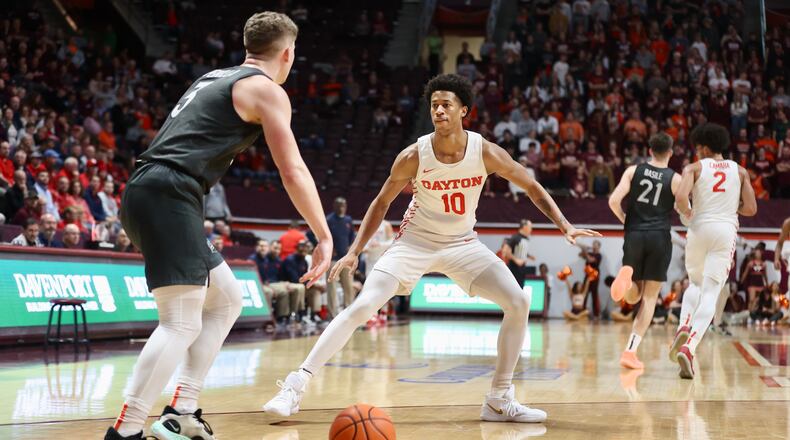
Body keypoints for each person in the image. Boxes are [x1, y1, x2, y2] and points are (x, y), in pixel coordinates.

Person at [263, 73, 599, 424]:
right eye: (434, 105)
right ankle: (295, 386)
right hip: (414, 243)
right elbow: (381, 203)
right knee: (361, 306)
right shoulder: (413, 155)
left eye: (446, 105)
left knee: (518, 302)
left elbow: (531, 186)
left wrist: (565, 225)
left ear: (463, 111)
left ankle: (499, 399)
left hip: (463, 243)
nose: (438, 110)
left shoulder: (485, 151)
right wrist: (354, 251)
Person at [107, 12, 333, 440]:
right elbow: (292, 170)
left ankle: (182, 411)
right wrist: (323, 235)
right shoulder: (266, 90)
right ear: (287, 53)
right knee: (180, 322)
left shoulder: (216, 76)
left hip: (153, 189)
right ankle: (126, 430)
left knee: (228, 299)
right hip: (169, 192)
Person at [671, 123, 757, 380]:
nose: (697, 152)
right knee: (711, 292)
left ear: (705, 147)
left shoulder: (694, 168)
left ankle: (683, 324)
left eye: (698, 148)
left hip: (699, 227)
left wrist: (687, 211)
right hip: (725, 230)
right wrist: (732, 205)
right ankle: (690, 346)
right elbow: (751, 208)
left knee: (694, 284)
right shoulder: (740, 171)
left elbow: (680, 197)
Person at [607, 132, 681, 369]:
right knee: (648, 298)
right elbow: (685, 209)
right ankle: (630, 352)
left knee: (634, 295)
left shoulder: (632, 171)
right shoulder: (675, 178)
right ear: (670, 152)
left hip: (635, 234)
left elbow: (613, 201)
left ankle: (626, 278)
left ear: (649, 151)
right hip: (659, 237)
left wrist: (626, 220)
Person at [502, 219, 536, 288]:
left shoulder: (526, 239)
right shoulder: (516, 237)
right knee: (513, 289)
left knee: (521, 288)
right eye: (530, 227)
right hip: (514, 269)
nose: (531, 229)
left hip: (522, 270)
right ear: (524, 227)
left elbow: (521, 251)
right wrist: (516, 260)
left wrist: (529, 256)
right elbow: (505, 251)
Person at [577, 240, 604, 318]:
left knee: (594, 295)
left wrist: (585, 250)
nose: (594, 246)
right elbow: (580, 255)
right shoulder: (590, 253)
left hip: (595, 277)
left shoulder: (599, 255)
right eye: (593, 244)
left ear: (599, 247)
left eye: (596, 245)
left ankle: (596, 314)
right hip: (587, 276)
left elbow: (590, 260)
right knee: (584, 293)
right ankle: (582, 312)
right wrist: (583, 248)